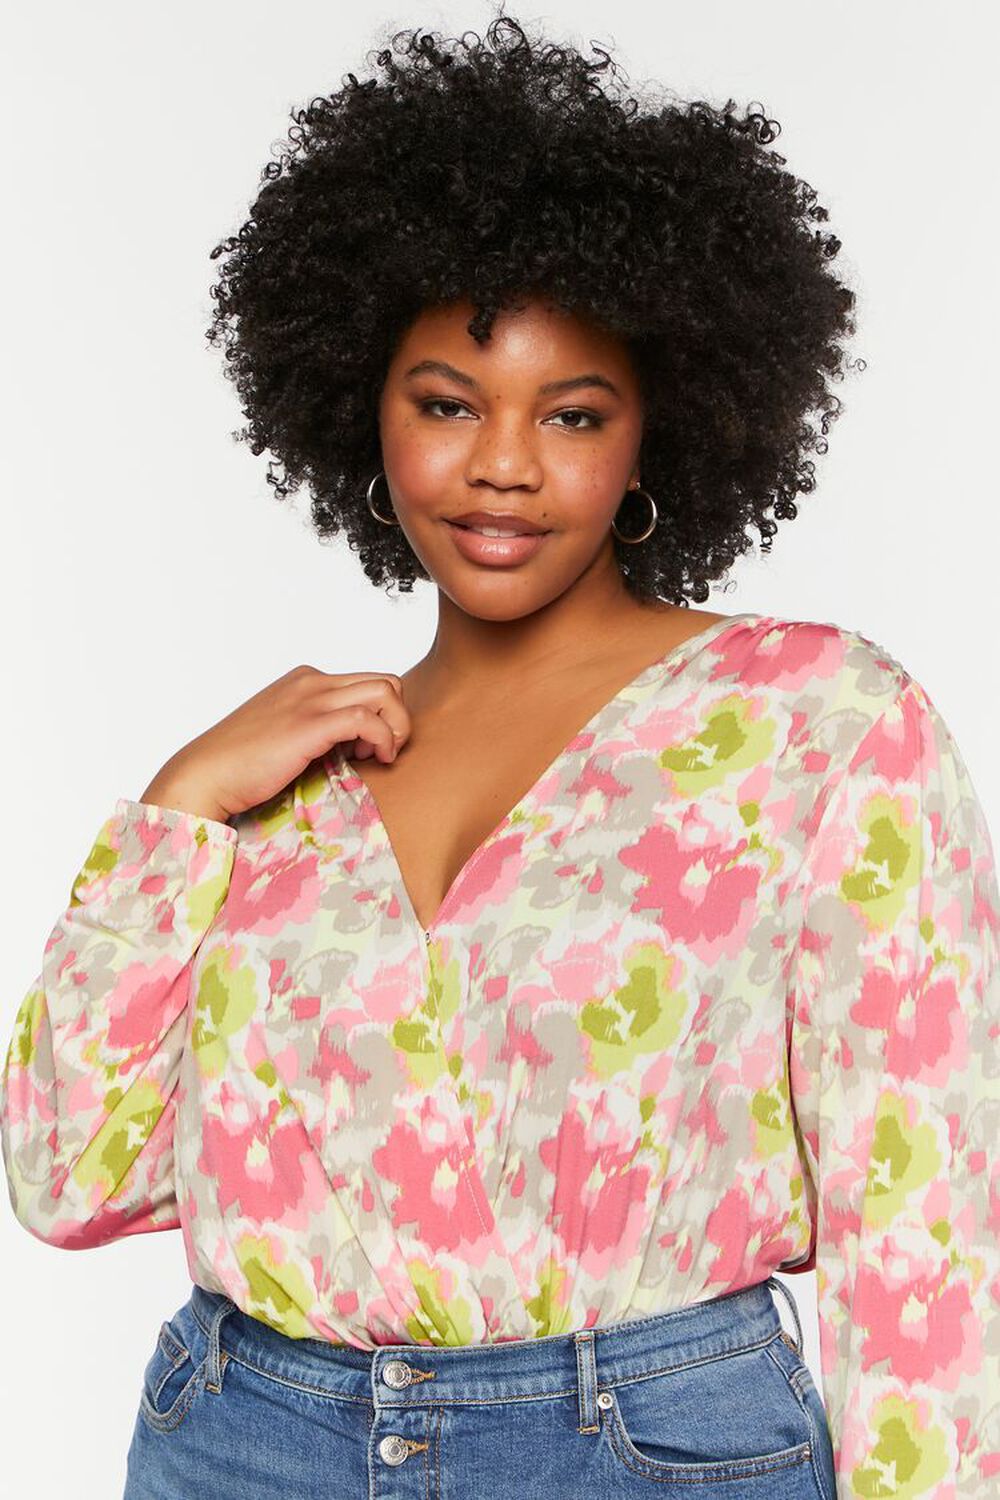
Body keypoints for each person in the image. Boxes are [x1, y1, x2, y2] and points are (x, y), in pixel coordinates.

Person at [2, 11, 997, 1499]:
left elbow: (922, 1216)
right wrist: (179, 806)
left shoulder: (819, 721)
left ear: (657, 431)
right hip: (242, 1440)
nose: (506, 466)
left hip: (645, 1455)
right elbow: (64, 1179)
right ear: (366, 412)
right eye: (448, 404)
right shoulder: (283, 797)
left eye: (573, 414)